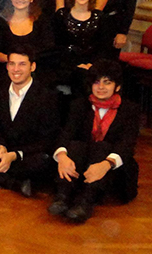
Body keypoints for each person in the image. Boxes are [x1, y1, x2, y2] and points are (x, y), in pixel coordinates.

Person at [49, 61, 139, 224]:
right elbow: (66, 133)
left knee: (101, 147)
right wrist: (62, 156)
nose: (101, 87)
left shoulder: (129, 109)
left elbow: (127, 145)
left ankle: (86, 202)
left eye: (107, 82)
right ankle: (63, 196)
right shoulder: (79, 105)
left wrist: (106, 164)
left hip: (113, 169)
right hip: (82, 162)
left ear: (117, 86)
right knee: (75, 146)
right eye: (96, 82)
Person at [0, 48, 59, 196]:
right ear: (6, 67)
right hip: (2, 153)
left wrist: (14, 155)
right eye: (12, 64)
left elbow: (47, 140)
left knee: (43, 161)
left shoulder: (47, 96)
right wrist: (1, 148)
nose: (16, 69)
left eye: (22, 64)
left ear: (33, 67)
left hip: (27, 155)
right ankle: (12, 183)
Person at [54, 0, 109, 101]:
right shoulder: (61, 16)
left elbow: (104, 47)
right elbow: (57, 47)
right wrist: (76, 66)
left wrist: (91, 65)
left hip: (94, 66)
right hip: (66, 66)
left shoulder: (100, 18)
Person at [0, 0, 55, 80]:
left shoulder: (42, 20)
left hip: (36, 71)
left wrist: (25, 62)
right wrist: (13, 61)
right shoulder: (1, 21)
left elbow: (48, 49)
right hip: (8, 71)